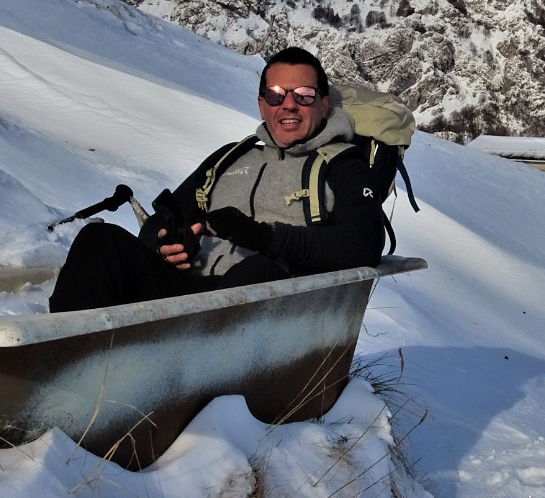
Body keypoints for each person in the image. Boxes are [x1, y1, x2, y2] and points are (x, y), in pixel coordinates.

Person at [48, 47, 385, 313]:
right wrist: (167, 245)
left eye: (305, 95)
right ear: (261, 104)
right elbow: (161, 223)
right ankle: (61, 361)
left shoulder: (342, 164)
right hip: (189, 294)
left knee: (255, 274)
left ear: (324, 106)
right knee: (99, 239)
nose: (289, 105)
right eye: (276, 94)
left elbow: (362, 243)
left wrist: (262, 237)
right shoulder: (231, 157)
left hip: (275, 307)